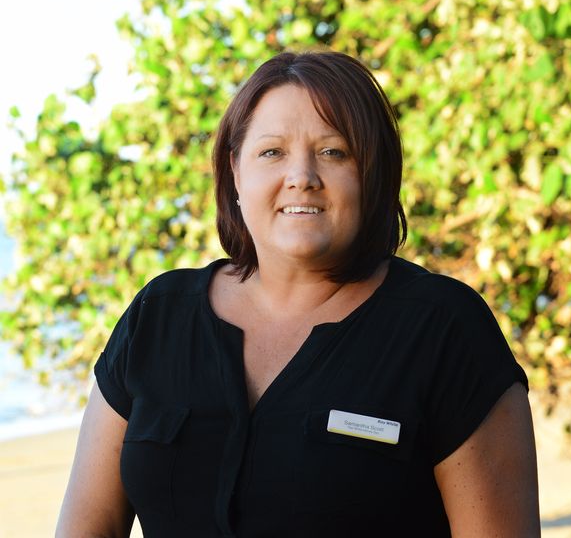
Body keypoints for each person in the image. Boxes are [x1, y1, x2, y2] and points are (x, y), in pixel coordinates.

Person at [57, 50, 540, 537]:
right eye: (272, 152)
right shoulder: (157, 317)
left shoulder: (446, 330)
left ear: (373, 174)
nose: (302, 177)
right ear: (236, 171)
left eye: (334, 152)